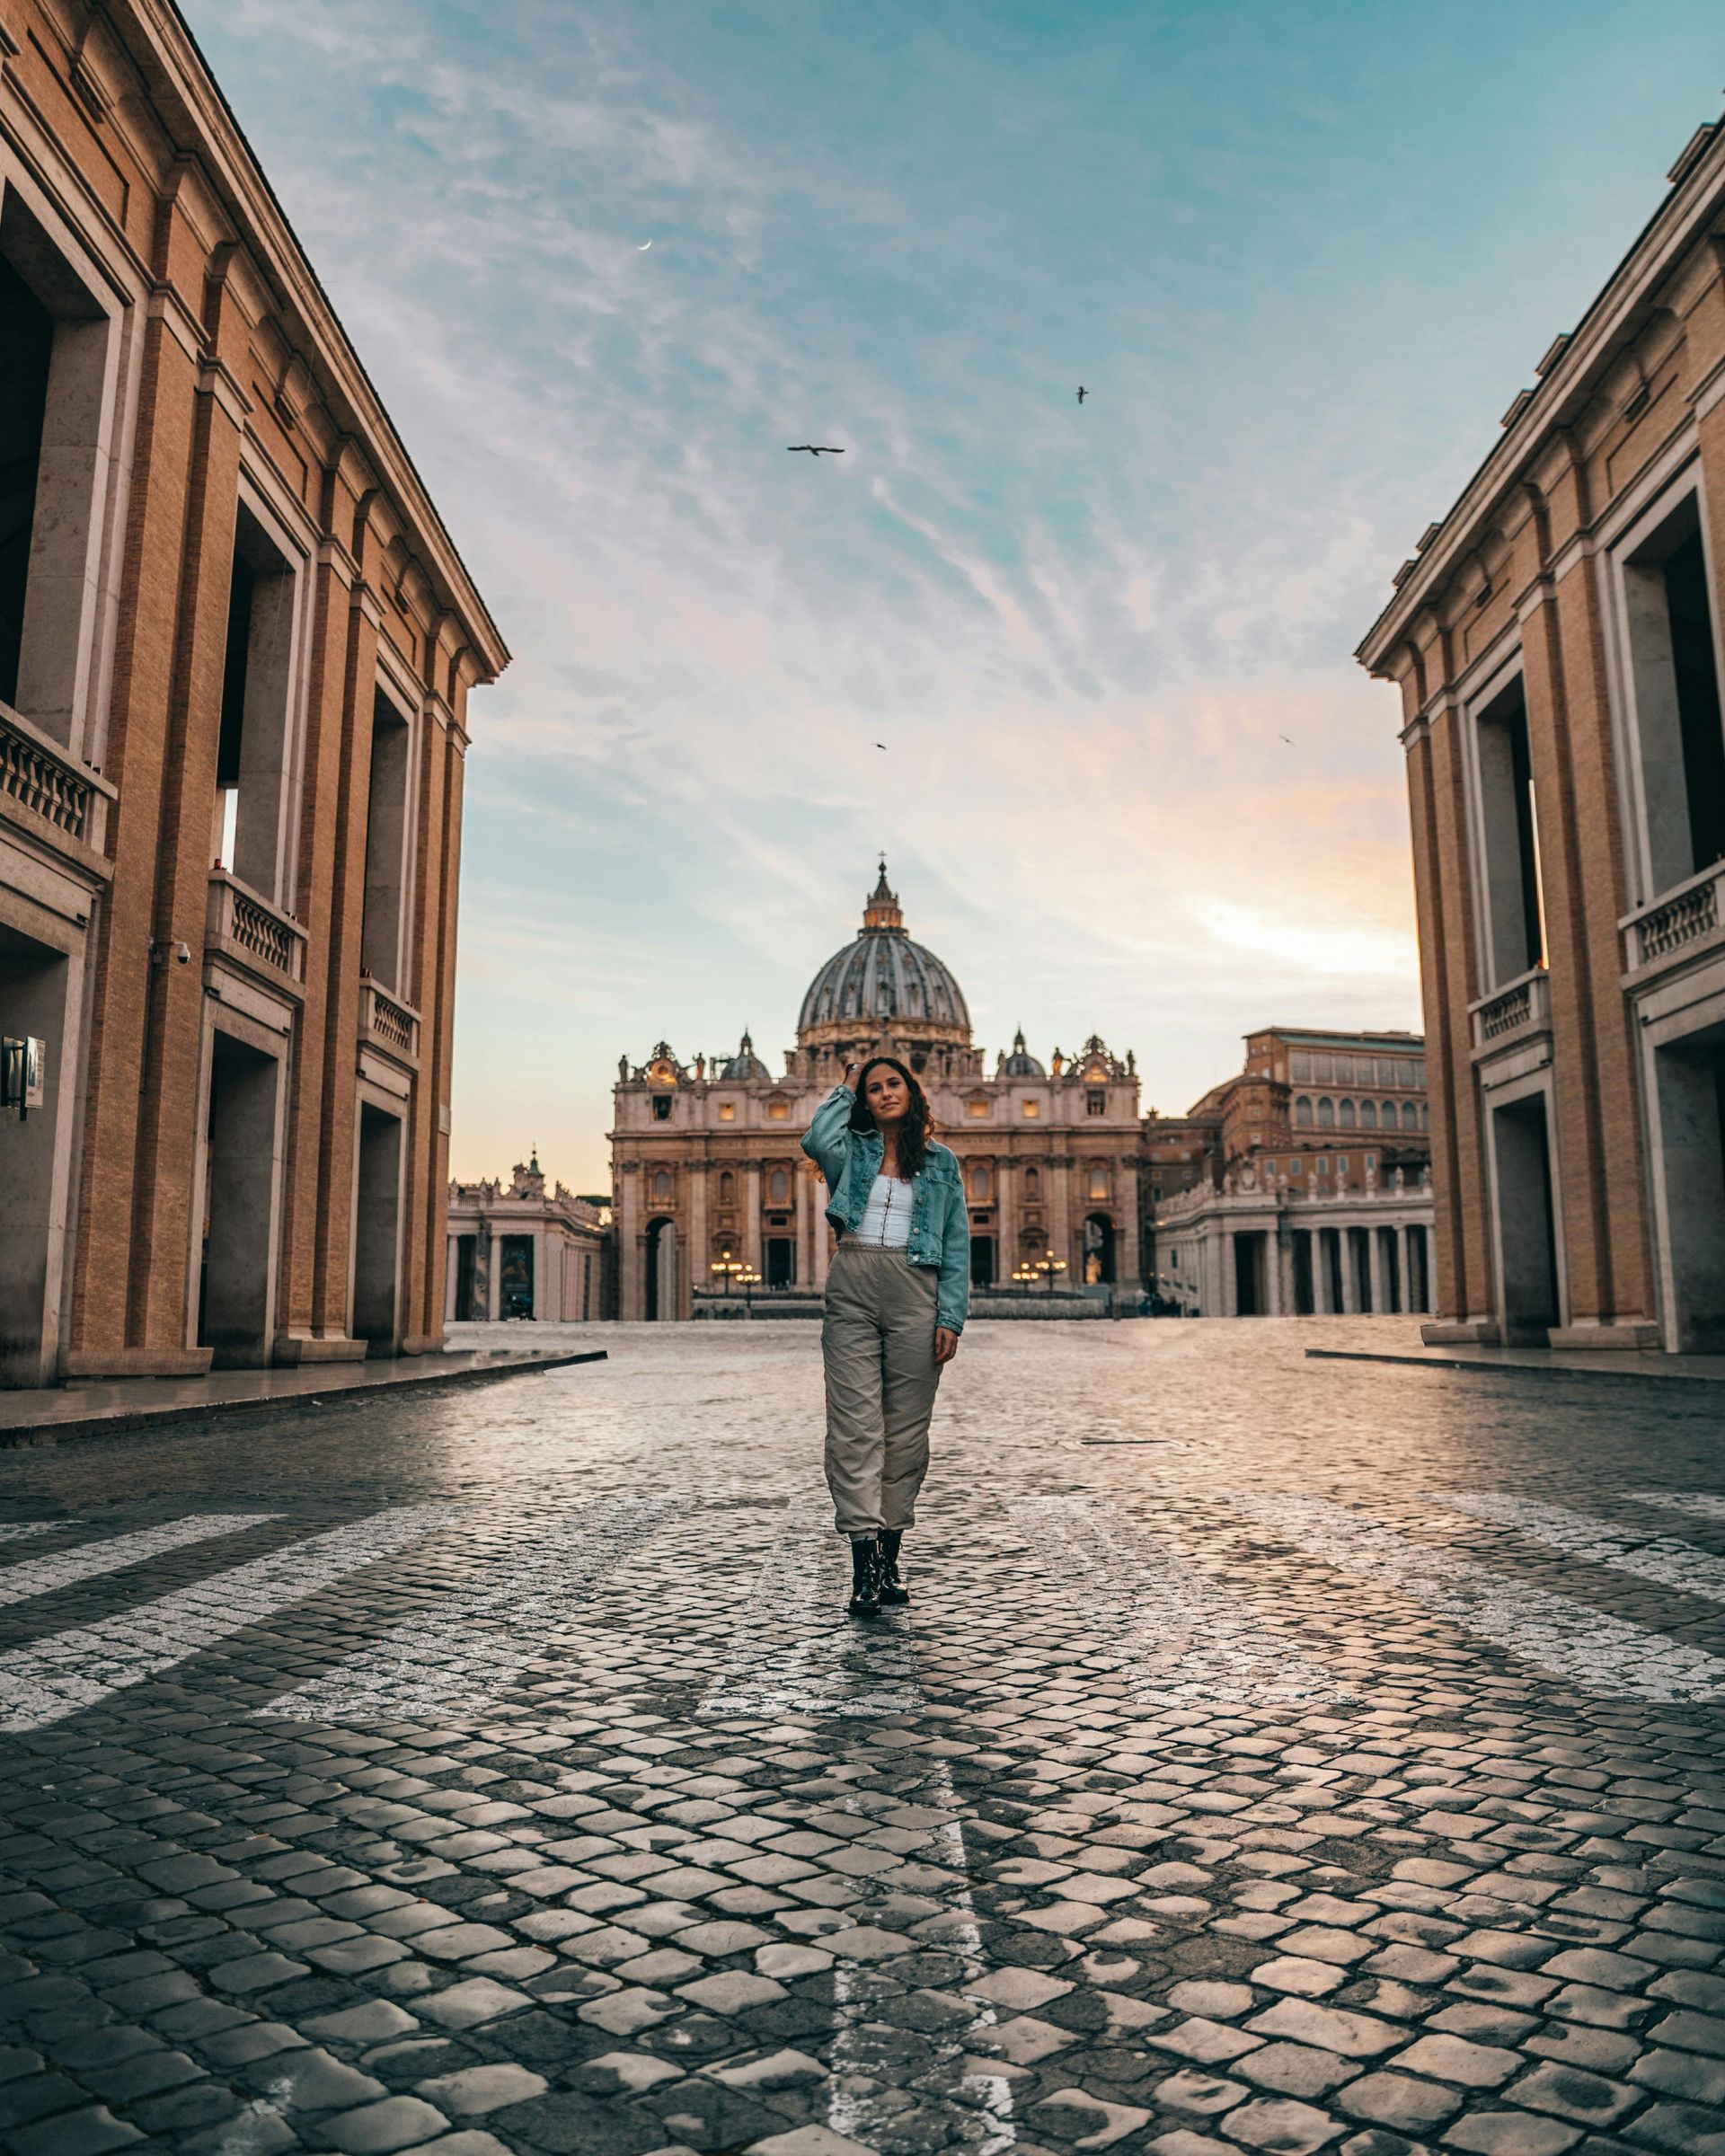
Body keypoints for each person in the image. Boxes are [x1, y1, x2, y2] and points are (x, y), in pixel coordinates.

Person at [801, 1056, 969, 1617]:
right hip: (853, 1282)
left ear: (911, 1090)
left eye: (893, 1083)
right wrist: (845, 1086)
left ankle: (891, 1552)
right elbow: (816, 1135)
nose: (884, 1093)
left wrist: (951, 1317)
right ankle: (863, 1566)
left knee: (905, 1434)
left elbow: (957, 1246)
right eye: (873, 1088)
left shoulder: (943, 1163)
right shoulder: (849, 1151)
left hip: (915, 1290)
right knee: (852, 1428)